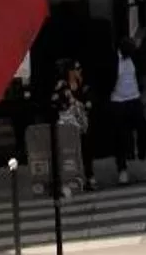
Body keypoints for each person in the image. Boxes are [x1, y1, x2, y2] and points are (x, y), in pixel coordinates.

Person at [51, 61, 95, 193]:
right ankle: (69, 179)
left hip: (82, 124)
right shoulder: (62, 86)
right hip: (68, 124)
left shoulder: (84, 86)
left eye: (79, 69)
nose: (79, 72)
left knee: (86, 150)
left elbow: (89, 101)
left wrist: (85, 104)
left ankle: (89, 176)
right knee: (68, 153)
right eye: (76, 69)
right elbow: (55, 102)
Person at [109, 40, 146, 178]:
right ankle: (122, 168)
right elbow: (108, 79)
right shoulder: (114, 61)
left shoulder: (134, 58)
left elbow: (140, 72)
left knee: (143, 127)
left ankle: (141, 152)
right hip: (118, 102)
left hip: (134, 99)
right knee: (121, 136)